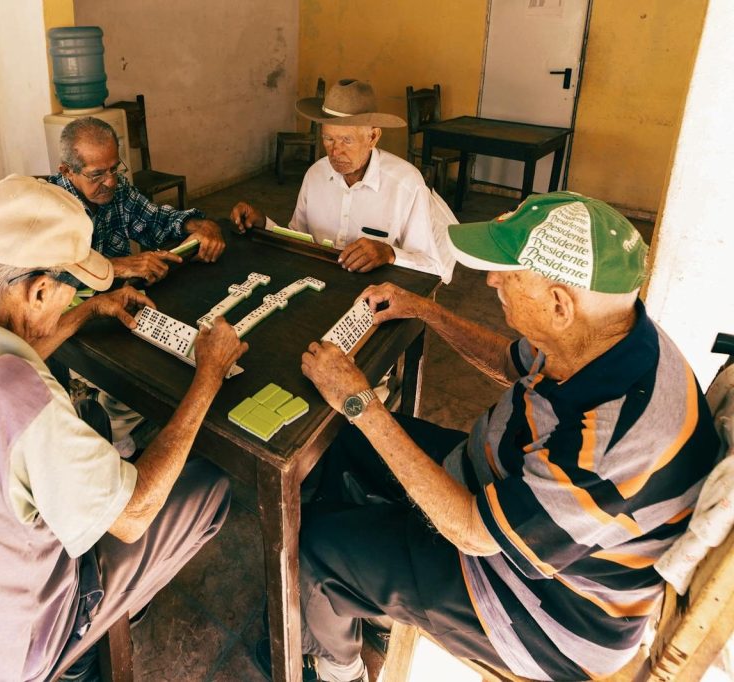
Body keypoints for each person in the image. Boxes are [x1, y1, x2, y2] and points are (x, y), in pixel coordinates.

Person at [268, 191, 721, 681]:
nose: (491, 280)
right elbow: (511, 362)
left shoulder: (614, 444)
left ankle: (341, 670)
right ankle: (361, 598)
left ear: (558, 304)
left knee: (314, 545)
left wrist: (360, 401)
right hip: (491, 482)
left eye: (509, 273)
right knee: (340, 442)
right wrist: (424, 310)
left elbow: (472, 532)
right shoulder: (608, 334)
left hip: (537, 611)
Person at [0, 175, 247, 681]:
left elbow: (2, 358)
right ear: (40, 289)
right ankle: (100, 632)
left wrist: (89, 310)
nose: (74, 300)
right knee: (210, 485)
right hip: (12, 651)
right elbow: (134, 518)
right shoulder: (22, 400)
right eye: (72, 292)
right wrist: (208, 375)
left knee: (91, 436)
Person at [231, 79, 456, 282]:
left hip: (380, 293)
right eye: (328, 139)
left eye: (346, 140)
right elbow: (300, 239)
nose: (335, 151)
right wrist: (264, 225)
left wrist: (389, 254)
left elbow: (433, 267)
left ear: (373, 137)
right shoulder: (315, 175)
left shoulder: (406, 185)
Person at [49, 116, 226, 285]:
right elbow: (48, 277)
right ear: (67, 171)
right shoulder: (46, 208)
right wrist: (115, 267)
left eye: (114, 168)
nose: (110, 182)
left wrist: (200, 226)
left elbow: (155, 220)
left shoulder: (118, 189)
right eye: (97, 174)